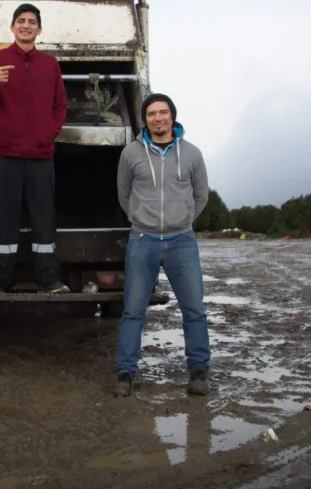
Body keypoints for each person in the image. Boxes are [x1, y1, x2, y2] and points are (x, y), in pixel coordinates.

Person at [0, 3, 70, 294]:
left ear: (39, 29)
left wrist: (49, 132)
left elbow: (60, 104)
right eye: (21, 21)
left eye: (32, 22)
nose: (26, 25)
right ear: (12, 27)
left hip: (41, 156)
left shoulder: (50, 64)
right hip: (3, 155)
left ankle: (49, 278)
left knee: (43, 218)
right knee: (2, 217)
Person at [114, 93, 211, 396]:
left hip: (182, 242)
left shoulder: (192, 154)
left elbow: (200, 195)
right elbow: (124, 193)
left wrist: (182, 221)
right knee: (133, 310)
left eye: (163, 112)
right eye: (152, 113)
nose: (158, 118)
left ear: (173, 117)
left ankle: (198, 371)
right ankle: (125, 373)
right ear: (145, 119)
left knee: (194, 309)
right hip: (142, 241)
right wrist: (141, 220)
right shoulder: (131, 154)